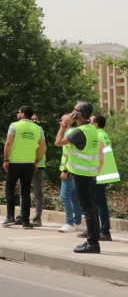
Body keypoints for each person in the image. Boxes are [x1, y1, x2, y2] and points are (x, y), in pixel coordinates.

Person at [55, 101, 104, 254]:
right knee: (92, 209)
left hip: (82, 175)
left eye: (74, 110)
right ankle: (93, 240)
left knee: (88, 210)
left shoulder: (80, 131)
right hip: (90, 173)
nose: (71, 112)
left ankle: (93, 243)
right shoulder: (90, 129)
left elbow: (58, 142)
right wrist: (70, 125)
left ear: (79, 114)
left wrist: (63, 125)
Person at [2, 105, 46, 229]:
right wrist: (36, 161)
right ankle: (26, 221)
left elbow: (9, 142)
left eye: (19, 112)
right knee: (25, 191)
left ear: (22, 114)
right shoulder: (38, 129)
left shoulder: (14, 126)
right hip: (29, 163)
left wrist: (6, 158)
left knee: (10, 189)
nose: (18, 114)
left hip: (14, 162)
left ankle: (10, 216)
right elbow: (43, 147)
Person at [84, 115, 120, 242]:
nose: (88, 121)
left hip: (100, 174)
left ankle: (104, 230)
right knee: (96, 203)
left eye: (91, 121)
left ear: (96, 124)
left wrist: (95, 172)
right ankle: (94, 229)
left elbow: (99, 157)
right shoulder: (104, 134)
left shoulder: (98, 136)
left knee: (99, 204)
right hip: (105, 174)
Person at [57, 113, 84, 233]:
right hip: (74, 169)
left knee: (64, 196)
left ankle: (69, 223)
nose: (60, 121)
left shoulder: (68, 133)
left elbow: (68, 153)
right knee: (74, 197)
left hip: (69, 170)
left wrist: (65, 170)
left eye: (63, 119)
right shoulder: (74, 132)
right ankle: (77, 222)